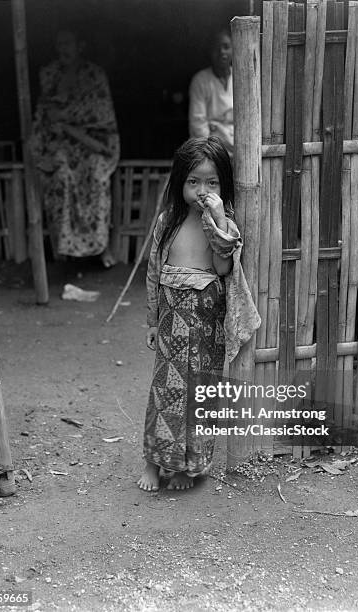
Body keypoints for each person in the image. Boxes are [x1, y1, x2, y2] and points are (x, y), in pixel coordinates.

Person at [138, 136, 260, 492]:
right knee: (164, 392)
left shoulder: (224, 227)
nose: (202, 190)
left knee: (199, 392)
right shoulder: (167, 222)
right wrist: (151, 319)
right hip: (171, 318)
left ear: (224, 185)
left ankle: (185, 467)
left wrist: (218, 217)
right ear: (180, 183)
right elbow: (153, 272)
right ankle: (153, 462)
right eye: (193, 181)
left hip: (205, 321)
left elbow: (223, 267)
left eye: (212, 182)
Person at [31, 30, 120, 266]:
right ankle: (64, 248)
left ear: (80, 45)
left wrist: (67, 120)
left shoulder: (94, 74)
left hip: (90, 144)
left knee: (97, 176)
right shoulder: (49, 74)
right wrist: (47, 138)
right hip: (60, 145)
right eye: (59, 44)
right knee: (60, 175)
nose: (64, 49)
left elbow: (100, 113)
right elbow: (45, 114)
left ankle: (101, 247)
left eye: (69, 43)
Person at [188, 29, 233, 157]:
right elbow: (198, 124)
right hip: (211, 151)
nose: (222, 52)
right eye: (217, 48)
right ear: (210, 52)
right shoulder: (201, 80)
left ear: (234, 49)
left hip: (239, 148)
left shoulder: (241, 77)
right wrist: (211, 155)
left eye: (226, 47)